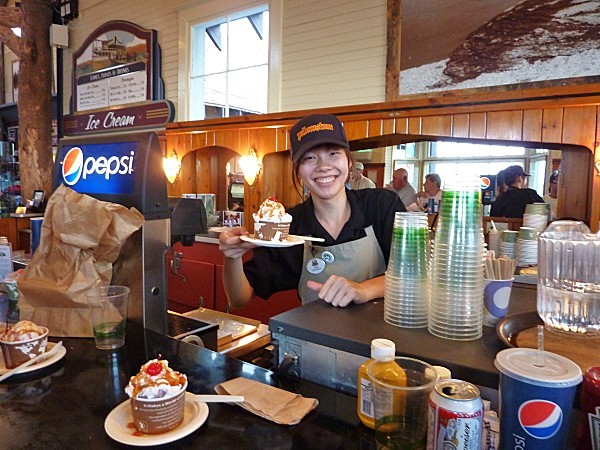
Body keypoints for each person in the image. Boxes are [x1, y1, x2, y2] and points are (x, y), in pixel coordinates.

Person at [219, 113, 406, 308]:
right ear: (298, 170)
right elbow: (239, 299)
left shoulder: (382, 205)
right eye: (310, 158)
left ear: (349, 161)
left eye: (333, 153)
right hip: (312, 337)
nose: (324, 166)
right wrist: (232, 257)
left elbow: (415, 276)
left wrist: (363, 290)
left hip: (379, 337)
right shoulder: (290, 225)